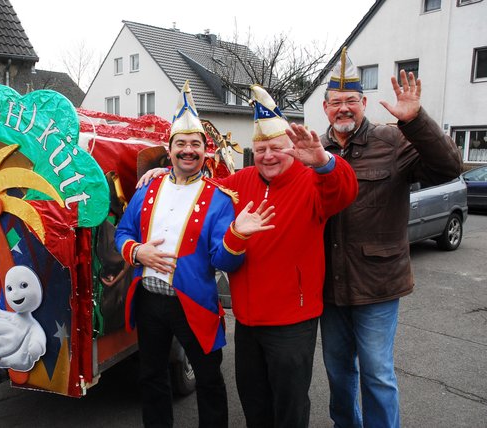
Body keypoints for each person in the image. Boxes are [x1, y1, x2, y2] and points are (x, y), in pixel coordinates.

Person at [138, 84, 359, 427]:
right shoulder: (239, 182)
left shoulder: (312, 182)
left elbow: (345, 190)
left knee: (289, 403)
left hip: (292, 320)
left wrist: (323, 161)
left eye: (277, 148)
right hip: (248, 318)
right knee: (254, 400)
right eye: (261, 149)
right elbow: (198, 184)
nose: (269, 156)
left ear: (293, 149)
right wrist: (163, 176)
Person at [115, 80, 275, 428]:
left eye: (195, 144)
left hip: (194, 303)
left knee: (208, 380)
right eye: (181, 144)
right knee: (151, 377)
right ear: (169, 150)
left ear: (207, 151)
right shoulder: (148, 188)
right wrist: (138, 251)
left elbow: (224, 261)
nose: (188, 150)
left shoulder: (220, 199)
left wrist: (236, 235)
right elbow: (122, 233)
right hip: (149, 300)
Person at [319, 47, 462, 428]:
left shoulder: (392, 141)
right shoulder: (313, 151)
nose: (344, 108)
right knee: (337, 372)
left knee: (377, 375)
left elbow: (448, 167)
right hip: (328, 287)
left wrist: (415, 121)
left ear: (364, 102)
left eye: (352, 100)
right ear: (325, 107)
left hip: (378, 283)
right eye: (336, 102)